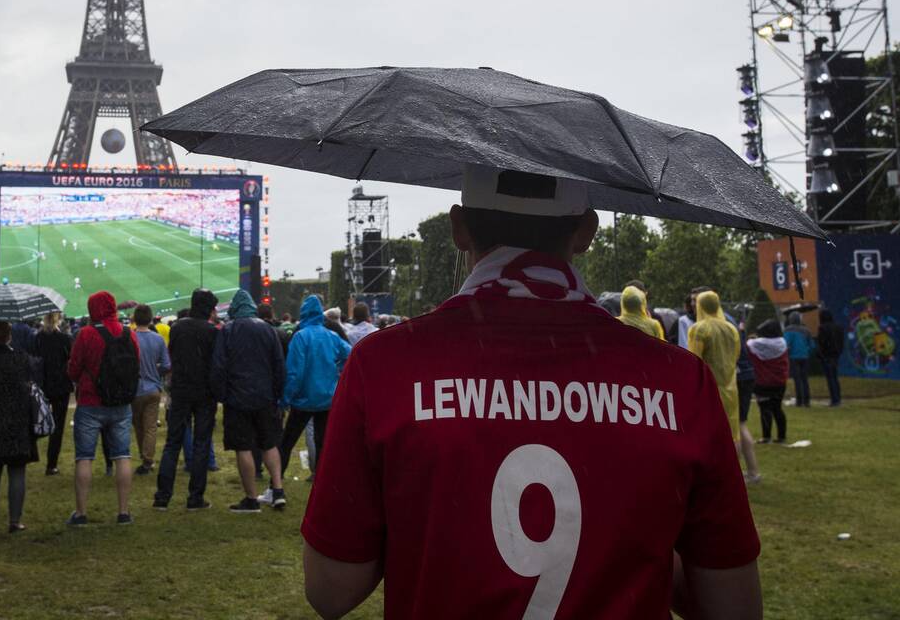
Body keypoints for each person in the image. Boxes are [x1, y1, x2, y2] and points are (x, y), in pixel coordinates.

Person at [301, 167, 761, 619]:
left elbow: (331, 590)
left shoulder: (385, 365)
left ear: (458, 228)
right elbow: (733, 604)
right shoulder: (679, 380)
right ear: (586, 231)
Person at [266, 295, 350, 500]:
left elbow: (295, 373)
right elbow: (350, 353)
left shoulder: (301, 336)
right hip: (326, 399)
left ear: (303, 313)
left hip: (303, 400)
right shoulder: (331, 335)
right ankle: (323, 489)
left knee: (286, 443)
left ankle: (275, 488)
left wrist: (285, 399)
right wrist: (335, 372)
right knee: (323, 444)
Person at [210, 290, 286, 513]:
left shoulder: (229, 330)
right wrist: (278, 393)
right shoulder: (268, 329)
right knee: (269, 443)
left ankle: (251, 498)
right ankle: (278, 490)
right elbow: (279, 364)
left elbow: (218, 365)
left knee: (243, 446)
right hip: (265, 396)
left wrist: (221, 394)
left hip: (238, 397)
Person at [66, 290, 138, 526]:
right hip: (120, 403)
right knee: (122, 455)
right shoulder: (128, 333)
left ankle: (81, 512)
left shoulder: (86, 334)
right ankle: (124, 512)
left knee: (84, 457)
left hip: (90, 402)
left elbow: (73, 369)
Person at [688, 291, 761, 484]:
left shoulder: (699, 329)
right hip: (731, 386)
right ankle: (732, 475)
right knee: (733, 431)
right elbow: (735, 356)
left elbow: (693, 361)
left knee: (708, 432)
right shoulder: (731, 329)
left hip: (708, 388)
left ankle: (715, 476)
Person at [155, 290, 218, 511]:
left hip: (181, 390)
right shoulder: (211, 331)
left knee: (173, 443)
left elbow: (174, 355)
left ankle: (162, 497)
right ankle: (195, 497)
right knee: (201, 443)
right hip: (202, 392)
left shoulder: (179, 327)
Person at [0, 321, 38, 533]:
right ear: (9, 335)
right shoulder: (20, 359)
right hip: (16, 420)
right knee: (17, 471)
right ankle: (14, 520)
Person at [31, 311, 73, 475]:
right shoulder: (63, 339)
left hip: (43, 384)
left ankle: (46, 461)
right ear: (58, 319)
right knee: (58, 425)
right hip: (58, 385)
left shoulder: (38, 338)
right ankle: (51, 463)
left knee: (37, 419)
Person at [132, 304, 170, 475]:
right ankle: (147, 459)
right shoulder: (157, 339)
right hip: (152, 388)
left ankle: (146, 459)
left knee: (141, 426)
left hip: (137, 389)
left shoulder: (131, 338)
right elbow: (167, 364)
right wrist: (157, 371)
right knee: (149, 427)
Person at [747, 320, 789, 443]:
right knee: (777, 408)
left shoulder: (755, 344)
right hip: (780, 382)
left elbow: (748, 345)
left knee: (764, 409)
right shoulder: (782, 343)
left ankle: (766, 437)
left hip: (762, 382)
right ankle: (781, 436)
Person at [784, 312, 815, 407]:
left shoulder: (788, 329)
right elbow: (812, 346)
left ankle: (799, 401)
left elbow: (786, 343)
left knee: (797, 379)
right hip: (805, 357)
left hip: (794, 357)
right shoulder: (806, 330)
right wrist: (806, 351)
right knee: (805, 379)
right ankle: (807, 401)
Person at [816, 309, 844, 406]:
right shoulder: (838, 327)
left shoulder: (823, 328)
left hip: (827, 356)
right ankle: (838, 398)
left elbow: (821, 343)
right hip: (835, 355)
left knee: (830, 378)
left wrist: (821, 355)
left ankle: (834, 400)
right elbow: (841, 342)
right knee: (835, 377)